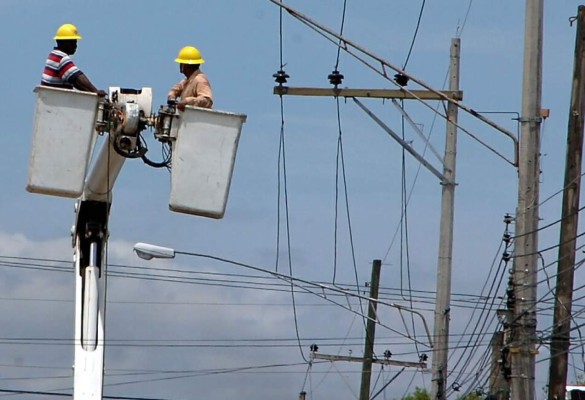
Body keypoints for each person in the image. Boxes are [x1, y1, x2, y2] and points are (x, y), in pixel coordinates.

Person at [41, 23, 106, 96]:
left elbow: (75, 82)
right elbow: (77, 77)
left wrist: (91, 93)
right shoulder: (61, 58)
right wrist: (95, 91)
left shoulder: (53, 55)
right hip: (58, 101)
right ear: (62, 42)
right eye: (72, 42)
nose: (75, 45)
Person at [167, 46, 213, 111]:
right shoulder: (188, 80)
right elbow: (176, 89)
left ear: (187, 65)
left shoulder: (200, 80)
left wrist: (187, 101)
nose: (180, 65)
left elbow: (207, 100)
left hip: (196, 119)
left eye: (182, 63)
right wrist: (172, 96)